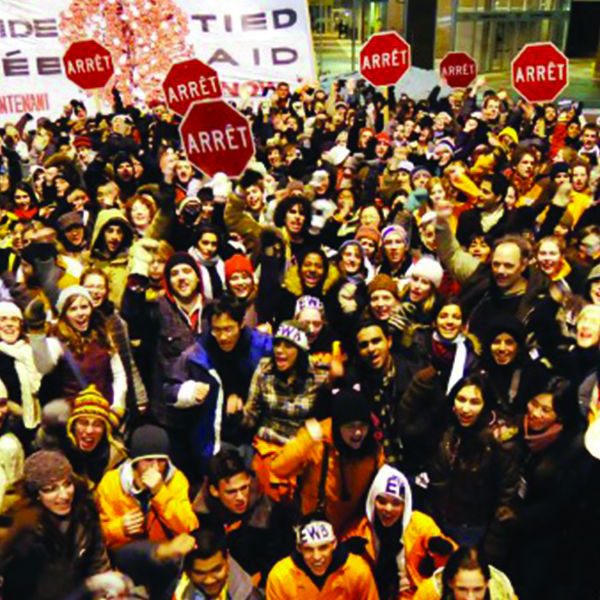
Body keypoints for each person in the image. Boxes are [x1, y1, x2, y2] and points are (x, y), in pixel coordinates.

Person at [95, 424, 199, 598]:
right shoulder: (111, 484)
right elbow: (97, 536)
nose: (156, 468)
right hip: (127, 559)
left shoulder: (176, 480)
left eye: (161, 461)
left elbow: (188, 527)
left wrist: (160, 492)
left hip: (166, 560)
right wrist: (119, 528)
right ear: (135, 463)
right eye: (148, 461)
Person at [425, 374, 520, 563]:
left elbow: (507, 496)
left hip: (475, 528)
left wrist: (493, 543)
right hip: (442, 520)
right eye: (461, 399)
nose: (465, 408)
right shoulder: (447, 429)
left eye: (474, 402)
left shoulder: (500, 440)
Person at [233, 320, 328, 502]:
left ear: (300, 350)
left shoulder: (318, 375)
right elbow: (250, 418)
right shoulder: (264, 369)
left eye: (288, 346)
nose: (279, 350)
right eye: (277, 344)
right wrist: (236, 413)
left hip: (300, 450)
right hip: (268, 446)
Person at [271, 388, 383, 537]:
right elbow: (278, 468)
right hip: (313, 528)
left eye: (362, 425)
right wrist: (307, 441)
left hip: (352, 529)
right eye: (350, 426)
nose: (358, 433)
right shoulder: (318, 441)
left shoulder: (373, 450)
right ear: (337, 426)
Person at [0, 450, 110, 600]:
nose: (64, 495)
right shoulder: (23, 535)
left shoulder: (85, 510)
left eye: (67, 484)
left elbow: (97, 560)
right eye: (50, 489)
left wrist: (104, 591)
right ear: (36, 495)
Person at [355, 464, 455, 599]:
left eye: (396, 503)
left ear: (405, 505)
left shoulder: (421, 525)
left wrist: (441, 555)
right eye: (382, 501)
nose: (388, 509)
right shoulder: (360, 531)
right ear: (372, 501)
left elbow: (456, 560)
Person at [193, 448, 289, 582]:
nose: (240, 497)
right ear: (214, 491)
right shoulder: (201, 512)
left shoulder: (269, 515)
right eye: (231, 492)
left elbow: (275, 566)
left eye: (244, 488)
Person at [266, 513, 379, 599]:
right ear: (299, 548)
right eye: (309, 549)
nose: (317, 557)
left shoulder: (358, 572)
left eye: (323, 547)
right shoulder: (280, 577)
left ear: (334, 543)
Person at [172, 519, 262, 600]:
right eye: (200, 573)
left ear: (227, 561)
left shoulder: (250, 597)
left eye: (217, 570)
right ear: (188, 572)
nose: (209, 580)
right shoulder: (171, 591)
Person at [414, 546, 517, 600]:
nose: (470, 598)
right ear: (451, 583)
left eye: (478, 589)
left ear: (487, 583)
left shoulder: (503, 594)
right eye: (462, 589)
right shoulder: (428, 594)